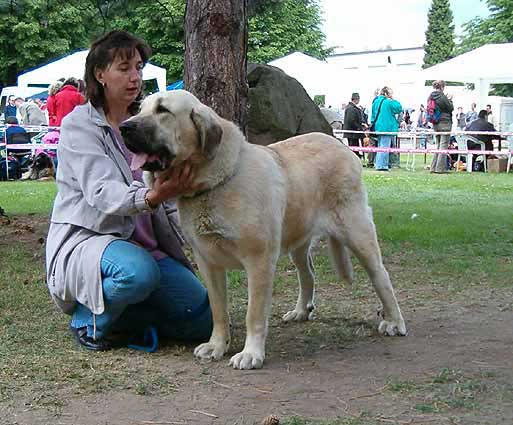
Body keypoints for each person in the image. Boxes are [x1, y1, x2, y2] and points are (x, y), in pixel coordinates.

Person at [45, 30, 213, 352]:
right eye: (124, 68)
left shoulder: (145, 123)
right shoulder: (78, 125)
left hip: (148, 248)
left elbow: (171, 194)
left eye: (138, 67)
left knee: (202, 322)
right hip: (91, 241)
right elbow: (101, 192)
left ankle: (128, 318)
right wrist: (151, 198)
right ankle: (88, 321)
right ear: (100, 74)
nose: (135, 76)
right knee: (137, 273)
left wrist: (202, 233)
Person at [370, 86, 402, 171]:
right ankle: (382, 166)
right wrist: (393, 99)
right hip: (387, 127)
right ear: (387, 93)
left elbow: (373, 114)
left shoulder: (376, 101)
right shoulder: (388, 102)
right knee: (385, 146)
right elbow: (399, 108)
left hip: (378, 126)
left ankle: (379, 164)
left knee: (380, 146)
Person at [428, 80, 453, 174]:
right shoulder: (442, 96)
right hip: (445, 123)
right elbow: (450, 108)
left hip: (435, 123)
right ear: (442, 87)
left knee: (438, 145)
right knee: (443, 146)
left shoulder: (430, 96)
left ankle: (433, 167)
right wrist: (450, 99)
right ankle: (440, 168)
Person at [343, 92, 366, 158]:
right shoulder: (351, 108)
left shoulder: (350, 107)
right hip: (353, 133)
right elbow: (352, 121)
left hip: (353, 132)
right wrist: (359, 127)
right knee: (354, 148)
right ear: (356, 99)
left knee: (355, 147)